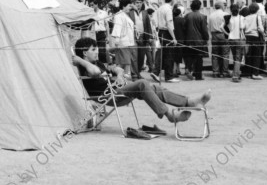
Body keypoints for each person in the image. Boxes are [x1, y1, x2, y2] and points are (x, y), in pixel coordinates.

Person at [73, 37, 211, 124]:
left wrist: (118, 73)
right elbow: (95, 72)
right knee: (142, 83)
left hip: (117, 91)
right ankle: (170, 115)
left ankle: (189, 102)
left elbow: (115, 68)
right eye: (93, 50)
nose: (97, 52)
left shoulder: (99, 63)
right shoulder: (86, 67)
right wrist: (79, 59)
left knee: (153, 88)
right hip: (107, 97)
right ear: (85, 52)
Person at [151, 0, 179, 83]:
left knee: (162, 53)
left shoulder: (160, 8)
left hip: (160, 31)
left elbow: (154, 21)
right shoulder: (168, 9)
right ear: (172, 0)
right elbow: (169, 23)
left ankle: (156, 72)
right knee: (169, 55)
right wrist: (174, 37)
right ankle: (169, 76)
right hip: (167, 32)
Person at [184, 0, 209, 80]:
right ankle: (198, 75)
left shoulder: (187, 16)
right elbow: (204, 30)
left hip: (188, 40)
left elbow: (184, 28)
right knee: (199, 58)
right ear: (200, 6)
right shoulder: (202, 16)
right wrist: (206, 38)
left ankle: (188, 70)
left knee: (189, 57)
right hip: (199, 41)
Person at [128, 0, 153, 79]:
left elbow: (148, 25)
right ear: (134, 3)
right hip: (133, 37)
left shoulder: (145, 12)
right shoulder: (130, 13)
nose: (138, 4)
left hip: (143, 37)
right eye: (136, 3)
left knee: (141, 57)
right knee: (134, 56)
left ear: (142, 3)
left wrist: (149, 36)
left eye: (139, 2)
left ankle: (138, 72)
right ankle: (134, 74)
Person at [111, 0, 136, 79]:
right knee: (125, 62)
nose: (130, 8)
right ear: (124, 6)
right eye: (129, 6)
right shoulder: (119, 15)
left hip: (128, 43)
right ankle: (123, 77)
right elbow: (117, 27)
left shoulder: (125, 15)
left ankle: (120, 77)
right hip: (122, 43)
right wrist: (117, 40)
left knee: (124, 62)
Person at [224, 4, 247, 83]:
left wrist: (227, 33)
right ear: (238, 9)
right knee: (238, 58)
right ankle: (235, 76)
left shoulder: (228, 18)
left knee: (235, 57)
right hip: (239, 39)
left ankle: (236, 72)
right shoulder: (242, 18)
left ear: (230, 10)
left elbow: (221, 27)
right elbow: (242, 27)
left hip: (231, 39)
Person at [207, 0, 229, 78]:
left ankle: (215, 72)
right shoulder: (225, 14)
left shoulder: (211, 15)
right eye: (224, 5)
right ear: (221, 6)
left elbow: (208, 27)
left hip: (214, 35)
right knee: (225, 54)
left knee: (215, 54)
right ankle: (224, 71)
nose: (225, 6)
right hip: (223, 35)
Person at [244, 3, 264, 80]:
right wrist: (263, 34)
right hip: (255, 37)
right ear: (257, 9)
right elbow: (260, 28)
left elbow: (243, 28)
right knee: (256, 56)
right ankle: (255, 73)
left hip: (247, 37)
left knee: (249, 55)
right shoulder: (257, 17)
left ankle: (248, 72)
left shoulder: (245, 18)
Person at [172, 6, 191, 79]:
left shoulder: (172, 20)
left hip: (175, 40)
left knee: (175, 57)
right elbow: (186, 30)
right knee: (185, 56)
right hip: (183, 40)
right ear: (180, 13)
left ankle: (176, 70)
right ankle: (186, 70)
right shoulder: (183, 20)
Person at [90, 0, 110, 64]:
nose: (91, 6)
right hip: (92, 34)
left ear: (96, 4)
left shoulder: (103, 13)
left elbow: (106, 24)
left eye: (93, 5)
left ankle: (104, 68)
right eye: (90, 5)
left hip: (101, 34)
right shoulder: (90, 13)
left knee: (102, 52)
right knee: (93, 52)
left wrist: (108, 36)